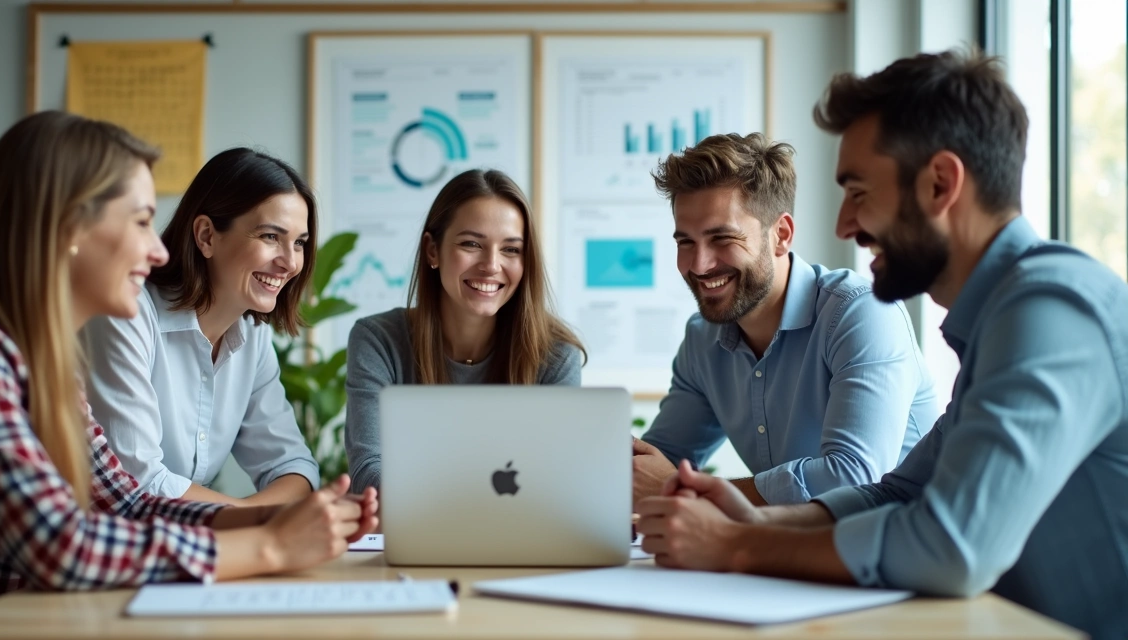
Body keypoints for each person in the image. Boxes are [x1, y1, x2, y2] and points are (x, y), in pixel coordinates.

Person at [634, 50, 1128, 639]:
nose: (844, 225)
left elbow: (952, 545)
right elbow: (899, 490)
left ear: (941, 184)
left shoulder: (1051, 308)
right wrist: (755, 522)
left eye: (859, 192)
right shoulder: (999, 319)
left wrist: (739, 545)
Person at [0, 111, 377, 625]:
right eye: (140, 221)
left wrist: (283, 518)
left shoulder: (43, 360)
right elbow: (62, 544)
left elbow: (128, 502)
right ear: (66, 226)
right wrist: (268, 544)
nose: (158, 250)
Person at [632, 132, 940, 506]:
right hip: (785, 554)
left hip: (892, 552)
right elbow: (658, 465)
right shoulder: (703, 339)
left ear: (781, 235)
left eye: (722, 239)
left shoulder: (861, 313)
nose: (699, 264)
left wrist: (696, 495)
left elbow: (854, 477)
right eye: (685, 242)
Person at [82, 148, 321, 506]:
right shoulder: (126, 314)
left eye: (299, 243)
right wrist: (253, 522)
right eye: (271, 236)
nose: (290, 262)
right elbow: (135, 481)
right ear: (207, 236)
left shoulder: (253, 338)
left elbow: (293, 466)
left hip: (184, 543)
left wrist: (251, 521)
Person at [345, 169, 585, 494]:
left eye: (511, 249)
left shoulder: (555, 355)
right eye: (472, 244)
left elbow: (560, 481)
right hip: (419, 539)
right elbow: (368, 474)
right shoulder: (378, 340)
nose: (491, 265)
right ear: (433, 250)